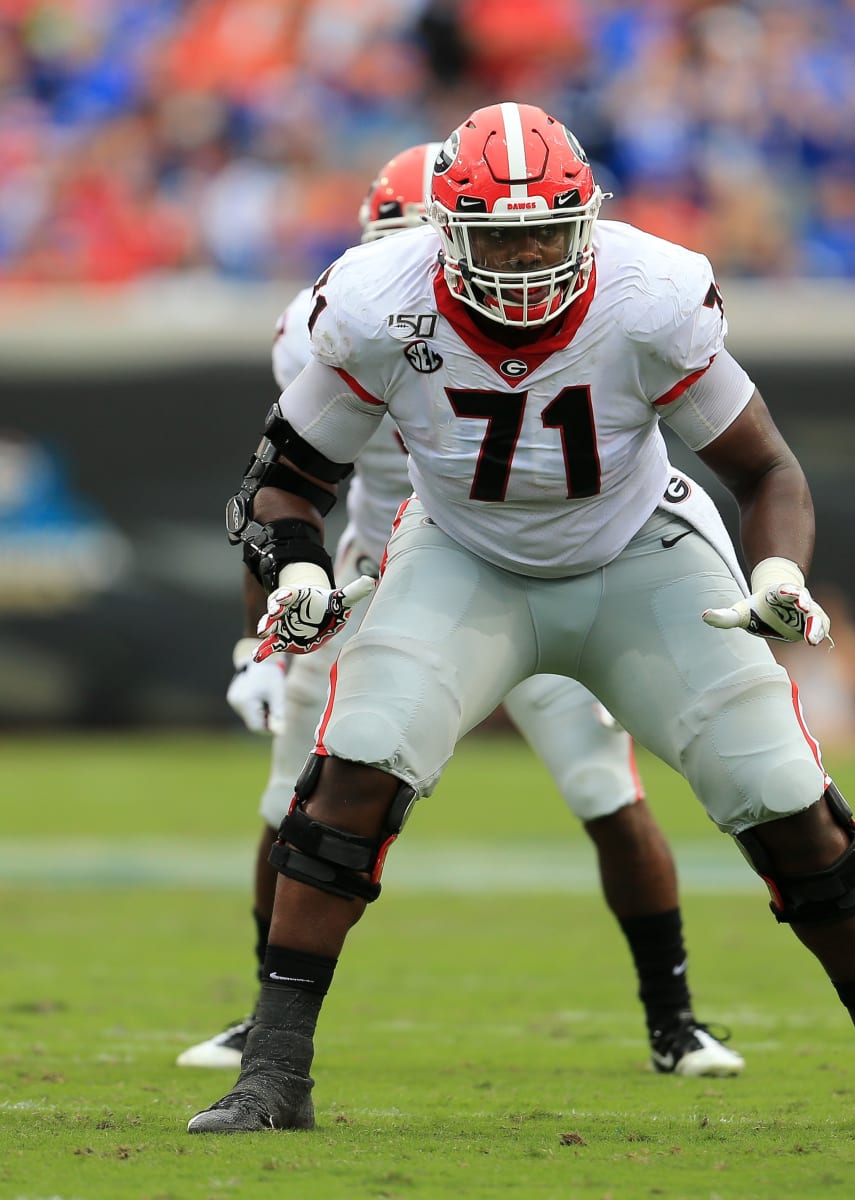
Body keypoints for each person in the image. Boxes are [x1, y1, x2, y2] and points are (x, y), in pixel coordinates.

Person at [190, 101, 855, 1134]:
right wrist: (300, 569)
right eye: (499, 235)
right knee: (353, 768)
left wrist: (779, 572)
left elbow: (766, 468)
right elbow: (286, 478)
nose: (528, 257)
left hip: (639, 554)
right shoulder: (375, 301)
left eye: (545, 230)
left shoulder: (650, 292)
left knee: (786, 794)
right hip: (463, 556)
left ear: (587, 220)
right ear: (445, 231)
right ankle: (273, 1077)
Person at [179, 142, 744, 1080]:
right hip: (374, 570)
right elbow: (286, 490)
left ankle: (673, 1018)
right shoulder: (339, 321)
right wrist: (263, 642)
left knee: (607, 794)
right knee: (297, 805)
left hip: (559, 556)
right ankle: (267, 1022)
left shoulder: (602, 302)